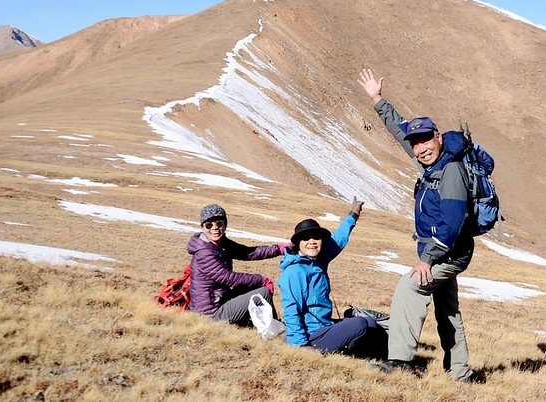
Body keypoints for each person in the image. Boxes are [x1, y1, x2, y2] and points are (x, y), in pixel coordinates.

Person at [357, 68, 481, 382]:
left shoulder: (450, 171)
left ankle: (400, 362)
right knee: (447, 311)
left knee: (410, 286)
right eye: (416, 143)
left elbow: (452, 225)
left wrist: (426, 259)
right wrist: (378, 100)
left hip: (448, 253)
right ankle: (461, 373)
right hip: (443, 251)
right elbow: (401, 132)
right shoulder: (430, 163)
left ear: (438, 137)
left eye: (426, 139)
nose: (421, 146)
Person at [278, 198, 385, 356]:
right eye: (306, 238)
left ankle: (369, 353)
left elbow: (338, 240)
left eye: (316, 237)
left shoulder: (318, 260)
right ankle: (357, 353)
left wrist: (353, 214)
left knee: (370, 322)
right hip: (311, 337)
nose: (312, 242)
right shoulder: (294, 272)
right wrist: (300, 346)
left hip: (325, 327)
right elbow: (291, 310)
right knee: (360, 323)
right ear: (298, 244)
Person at [187, 203, 287, 326]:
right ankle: (274, 329)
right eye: (209, 225)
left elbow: (248, 253)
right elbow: (228, 278)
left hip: (220, 301)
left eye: (219, 223)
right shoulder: (204, 253)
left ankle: (266, 325)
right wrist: (262, 279)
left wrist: (279, 249)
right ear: (202, 227)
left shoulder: (221, 244)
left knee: (254, 289)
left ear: (225, 225)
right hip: (209, 315)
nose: (214, 228)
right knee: (263, 293)